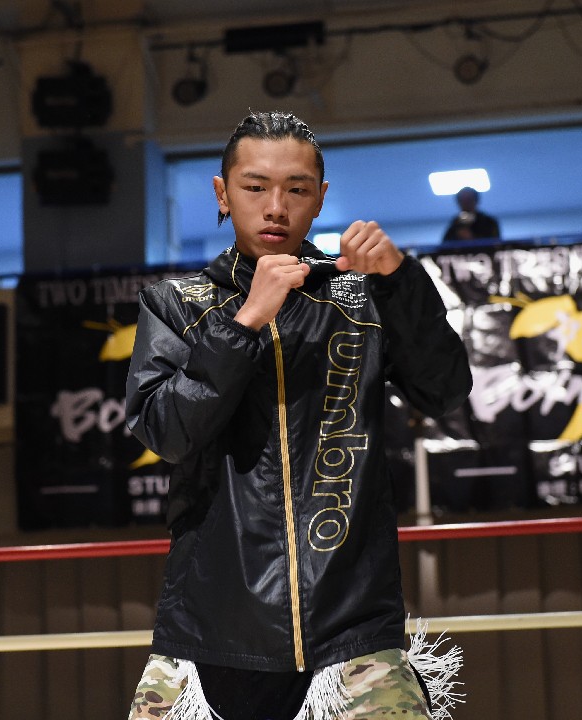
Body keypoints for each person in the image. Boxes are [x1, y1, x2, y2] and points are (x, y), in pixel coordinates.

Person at [125, 110, 472, 720]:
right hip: (212, 627)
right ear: (223, 193)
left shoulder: (363, 295)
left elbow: (443, 392)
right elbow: (167, 433)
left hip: (354, 623)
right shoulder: (176, 303)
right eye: (255, 187)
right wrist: (245, 322)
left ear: (321, 198)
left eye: (297, 190)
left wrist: (400, 282)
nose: (276, 208)